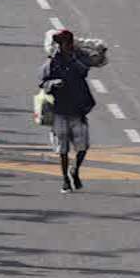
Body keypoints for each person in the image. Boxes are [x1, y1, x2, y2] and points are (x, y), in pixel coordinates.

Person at [37, 29, 95, 193]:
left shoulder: (77, 59)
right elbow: (42, 82)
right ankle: (64, 179)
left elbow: (84, 71)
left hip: (78, 110)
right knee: (62, 149)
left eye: (67, 43)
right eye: (62, 43)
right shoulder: (52, 63)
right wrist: (53, 83)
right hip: (59, 111)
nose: (65, 46)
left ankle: (75, 170)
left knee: (82, 147)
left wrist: (73, 59)